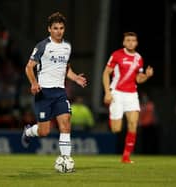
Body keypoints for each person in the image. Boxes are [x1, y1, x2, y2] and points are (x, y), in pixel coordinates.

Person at [21, 12, 87, 164]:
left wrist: (75, 77)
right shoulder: (42, 46)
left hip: (60, 93)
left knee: (65, 123)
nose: (59, 31)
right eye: (55, 28)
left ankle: (66, 159)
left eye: (61, 28)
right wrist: (33, 83)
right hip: (43, 93)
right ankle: (29, 131)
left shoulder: (66, 47)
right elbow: (29, 67)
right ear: (49, 29)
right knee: (44, 131)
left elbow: (66, 68)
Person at [102, 32, 154, 163]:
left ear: (136, 43)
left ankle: (126, 156)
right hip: (117, 92)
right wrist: (107, 92)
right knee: (116, 129)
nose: (131, 43)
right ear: (124, 43)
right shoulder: (117, 55)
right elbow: (106, 73)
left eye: (133, 40)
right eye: (128, 40)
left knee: (133, 124)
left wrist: (146, 76)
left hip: (131, 94)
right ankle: (111, 114)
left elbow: (138, 78)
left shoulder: (139, 58)